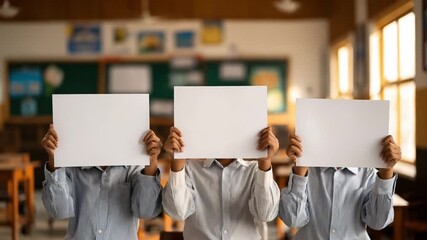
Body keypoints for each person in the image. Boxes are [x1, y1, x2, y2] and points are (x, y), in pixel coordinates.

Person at [41, 124, 163, 240]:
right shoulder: (73, 162)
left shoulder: (134, 165)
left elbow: (146, 212)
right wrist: (54, 159)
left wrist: (151, 161)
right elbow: (58, 211)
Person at [162, 126, 281, 240]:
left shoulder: (255, 170)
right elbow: (177, 213)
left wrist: (265, 161)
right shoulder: (189, 169)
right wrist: (177, 160)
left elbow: (266, 214)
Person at [280, 133, 401, 239]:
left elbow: (377, 222)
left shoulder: (367, 172)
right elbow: (294, 220)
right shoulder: (307, 169)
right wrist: (300, 170)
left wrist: (387, 170)